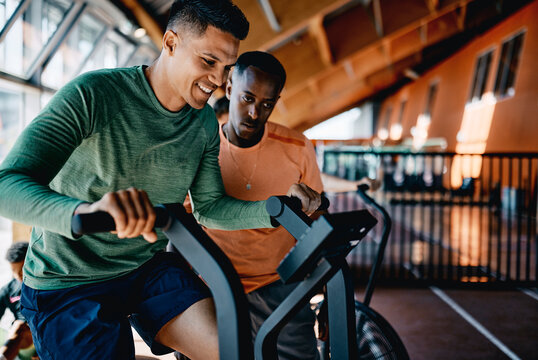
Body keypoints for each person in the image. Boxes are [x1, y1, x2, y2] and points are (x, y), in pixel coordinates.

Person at [0, 1, 321, 359]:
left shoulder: (202, 126)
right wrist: (84, 211)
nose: (218, 80)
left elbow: (210, 208)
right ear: (170, 43)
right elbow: (6, 184)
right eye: (208, 61)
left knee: (231, 350)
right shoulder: (93, 95)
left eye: (227, 67)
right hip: (69, 280)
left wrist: (278, 209)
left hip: (145, 270)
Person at [197, 51, 323, 359]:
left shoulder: (296, 146)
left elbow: (318, 221)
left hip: (278, 283)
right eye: (247, 98)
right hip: (213, 286)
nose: (255, 112)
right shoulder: (201, 144)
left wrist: (327, 298)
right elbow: (184, 222)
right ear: (228, 90)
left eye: (267, 104)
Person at [0, 242, 35, 360]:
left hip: (41, 334)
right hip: (17, 338)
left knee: (20, 326)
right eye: (13, 271)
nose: (18, 275)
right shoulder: (8, 290)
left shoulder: (45, 285)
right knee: (18, 326)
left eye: (22, 269)